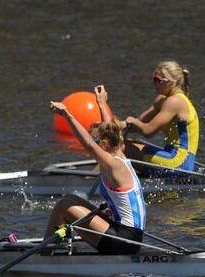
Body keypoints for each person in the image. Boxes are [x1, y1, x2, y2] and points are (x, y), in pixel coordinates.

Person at [47, 94, 146, 255]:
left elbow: (88, 144)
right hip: (128, 235)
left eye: (96, 140)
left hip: (124, 241)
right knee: (69, 199)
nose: (94, 142)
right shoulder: (120, 155)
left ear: (104, 144)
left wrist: (67, 115)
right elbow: (111, 130)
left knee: (63, 206)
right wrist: (101, 104)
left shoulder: (114, 165)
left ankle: (47, 255)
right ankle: (56, 247)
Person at [96, 61, 200, 172]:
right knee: (122, 143)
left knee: (117, 147)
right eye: (154, 79)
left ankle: (89, 179)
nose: (154, 84)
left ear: (170, 82)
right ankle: (111, 177)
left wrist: (132, 121)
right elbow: (138, 122)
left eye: (157, 80)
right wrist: (116, 125)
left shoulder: (175, 101)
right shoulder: (162, 99)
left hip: (180, 162)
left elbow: (148, 131)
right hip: (170, 154)